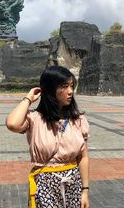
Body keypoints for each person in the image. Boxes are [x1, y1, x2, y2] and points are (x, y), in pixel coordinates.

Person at [6, 66, 90, 208]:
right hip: (45, 185)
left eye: (71, 86)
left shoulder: (78, 120)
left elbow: (83, 157)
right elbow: (12, 124)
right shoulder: (35, 119)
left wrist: (85, 191)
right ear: (51, 90)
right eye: (64, 86)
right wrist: (28, 99)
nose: (70, 91)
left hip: (73, 185)